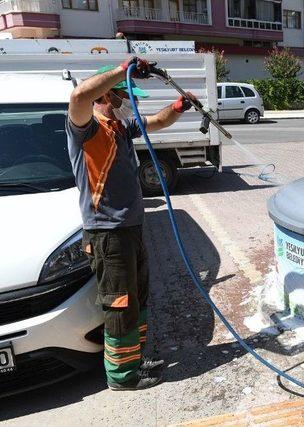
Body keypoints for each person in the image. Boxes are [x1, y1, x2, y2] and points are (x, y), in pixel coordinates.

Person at [66, 57, 196, 391]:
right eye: (127, 97)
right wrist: (120, 69)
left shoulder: (121, 127)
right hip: (108, 235)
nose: (132, 103)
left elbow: (158, 121)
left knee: (136, 297)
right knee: (120, 303)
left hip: (130, 229)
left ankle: (134, 359)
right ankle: (122, 377)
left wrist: (180, 105)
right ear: (108, 96)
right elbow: (79, 97)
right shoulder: (86, 127)